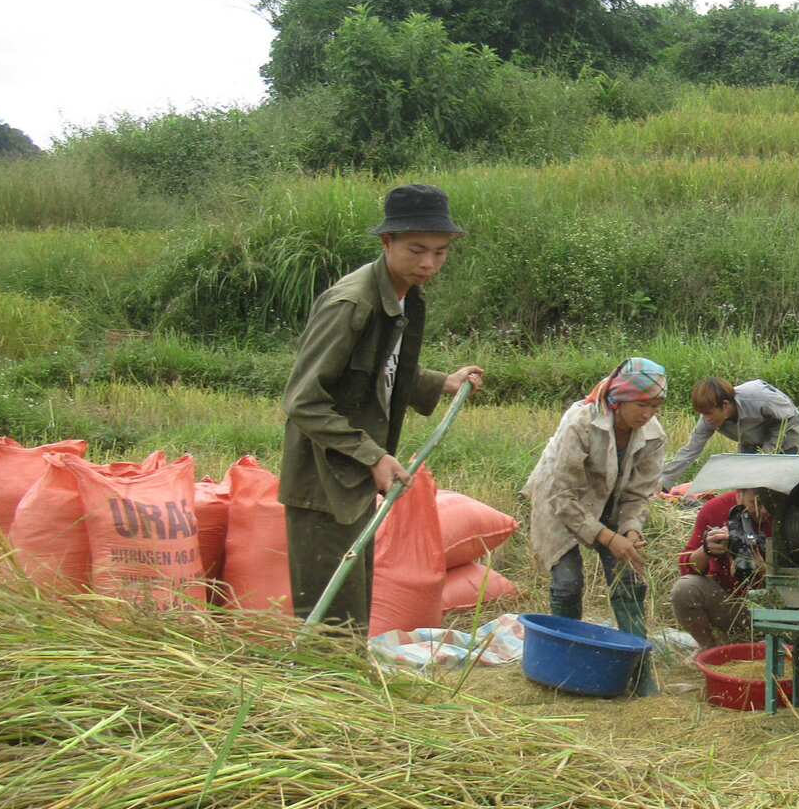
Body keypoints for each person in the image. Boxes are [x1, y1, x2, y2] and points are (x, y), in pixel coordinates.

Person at [280, 183, 484, 632]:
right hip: (325, 478)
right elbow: (302, 400)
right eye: (417, 250)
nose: (429, 263)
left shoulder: (401, 293)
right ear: (386, 242)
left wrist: (438, 382)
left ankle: (342, 688)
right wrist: (373, 455)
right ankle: (324, 694)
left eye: (440, 252)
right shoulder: (352, 303)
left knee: (352, 601)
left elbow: (379, 369)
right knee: (330, 616)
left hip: (350, 476)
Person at [523, 357, 668, 695]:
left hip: (611, 503)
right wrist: (607, 537)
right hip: (562, 499)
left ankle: (640, 675)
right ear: (619, 401)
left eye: (656, 405)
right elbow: (563, 496)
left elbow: (639, 492)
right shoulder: (581, 423)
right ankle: (568, 669)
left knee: (629, 579)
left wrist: (630, 531)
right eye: (642, 404)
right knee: (567, 582)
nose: (648, 413)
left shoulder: (653, 434)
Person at [658, 378, 799, 490]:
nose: (706, 419)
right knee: (747, 487)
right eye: (703, 414)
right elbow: (691, 449)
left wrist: (765, 456)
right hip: (751, 440)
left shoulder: (758, 397)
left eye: (709, 413)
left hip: (787, 434)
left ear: (725, 405)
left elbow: (786, 418)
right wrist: (664, 482)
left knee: (790, 485)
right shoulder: (707, 418)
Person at [670, 485, 772, 649]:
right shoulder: (716, 509)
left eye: (770, 502)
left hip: (776, 607)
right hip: (731, 602)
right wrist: (706, 549)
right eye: (756, 503)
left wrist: (762, 567)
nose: (764, 510)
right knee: (685, 589)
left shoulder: (789, 510)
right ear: (739, 494)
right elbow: (686, 567)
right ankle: (709, 650)